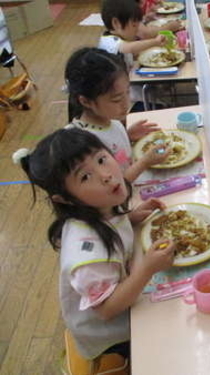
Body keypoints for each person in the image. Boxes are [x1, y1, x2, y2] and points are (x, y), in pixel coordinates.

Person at [13, 128, 176, 361]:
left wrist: (129, 218)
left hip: (123, 288)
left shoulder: (101, 205)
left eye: (101, 159)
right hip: (110, 333)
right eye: (85, 176)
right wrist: (147, 269)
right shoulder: (86, 257)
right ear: (65, 199)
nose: (105, 175)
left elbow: (110, 225)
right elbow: (107, 309)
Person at [64, 47, 169, 182]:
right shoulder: (83, 143)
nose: (127, 103)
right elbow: (113, 185)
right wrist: (144, 162)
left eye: (127, 92)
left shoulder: (109, 119)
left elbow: (115, 150)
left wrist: (127, 135)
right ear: (86, 101)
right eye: (117, 99)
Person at [99, 0, 166, 70]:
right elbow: (130, 48)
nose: (137, 28)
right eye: (134, 24)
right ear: (116, 23)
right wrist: (155, 42)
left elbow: (132, 53)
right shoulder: (109, 41)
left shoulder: (122, 37)